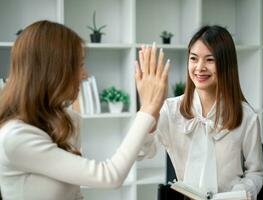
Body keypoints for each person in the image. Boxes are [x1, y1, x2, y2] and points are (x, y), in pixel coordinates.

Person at [0, 20, 170, 200]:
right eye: (79, 65)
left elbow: (143, 153)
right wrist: (147, 108)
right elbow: (110, 176)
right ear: (52, 70)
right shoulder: (15, 137)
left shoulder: (68, 120)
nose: (85, 75)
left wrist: (152, 112)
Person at [138, 25, 263, 200]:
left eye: (210, 60)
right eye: (193, 58)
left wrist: (240, 192)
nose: (199, 67)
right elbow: (142, 152)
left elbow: (256, 172)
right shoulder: (170, 109)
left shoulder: (246, 115)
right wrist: (149, 112)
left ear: (226, 63)